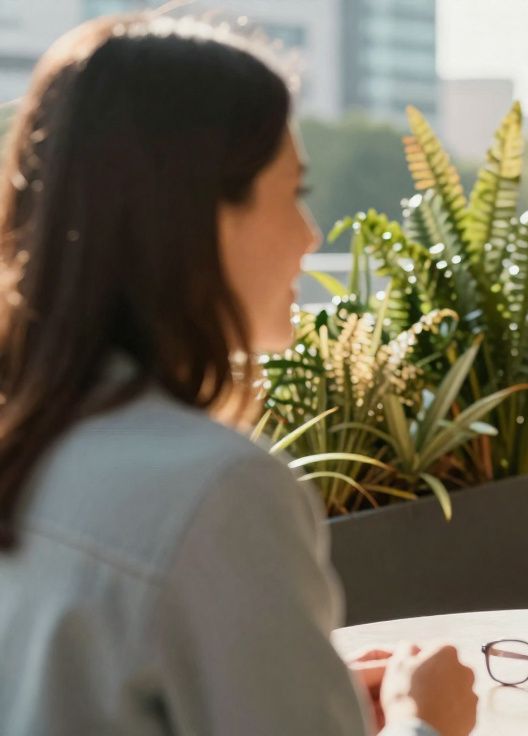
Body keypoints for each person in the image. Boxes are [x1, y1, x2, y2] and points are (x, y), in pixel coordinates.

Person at [0, 15, 477, 735]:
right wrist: (424, 719)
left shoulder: (34, 446)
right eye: (293, 191)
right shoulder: (218, 492)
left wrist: (297, 690)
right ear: (198, 217)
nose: (311, 236)